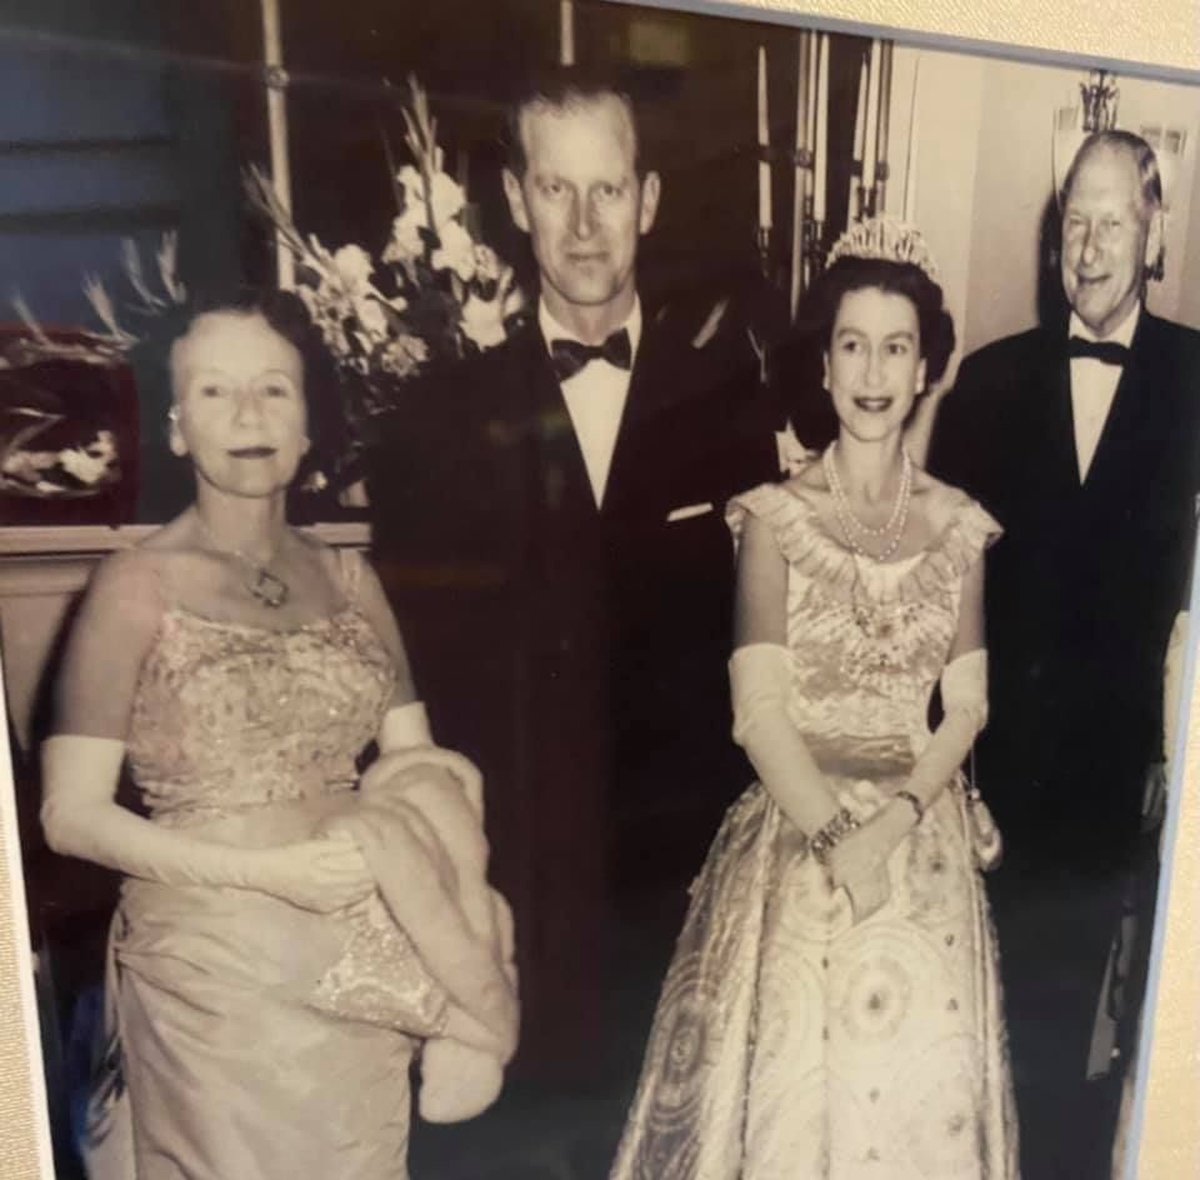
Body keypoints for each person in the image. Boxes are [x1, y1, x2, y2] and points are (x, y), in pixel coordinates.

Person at [39, 292, 517, 1179]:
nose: (249, 416)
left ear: (308, 424)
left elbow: (415, 764)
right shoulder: (133, 587)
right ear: (177, 427)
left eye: (274, 390)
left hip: (361, 962)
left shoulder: (351, 579)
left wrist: (449, 882)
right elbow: (70, 816)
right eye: (215, 394)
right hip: (214, 979)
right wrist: (268, 875)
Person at [368, 67, 780, 1080]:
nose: (586, 224)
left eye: (609, 189)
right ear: (516, 202)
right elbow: (418, 669)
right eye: (557, 189)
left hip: (677, 870)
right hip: (517, 877)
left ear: (647, 201)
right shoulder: (436, 419)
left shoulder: (731, 401)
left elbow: (756, 639)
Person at [610, 218, 1017, 1178]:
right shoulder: (774, 518)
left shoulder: (958, 524)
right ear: (824, 365)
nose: (873, 371)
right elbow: (759, 711)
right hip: (800, 836)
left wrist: (900, 822)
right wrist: (840, 839)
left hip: (923, 844)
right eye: (851, 343)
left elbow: (964, 706)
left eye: (896, 346)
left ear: (926, 368)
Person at [927, 130, 1200, 1178]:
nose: (1090, 248)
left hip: (1123, 771)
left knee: (1076, 1037)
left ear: (1155, 232)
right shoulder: (988, 382)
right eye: (1073, 223)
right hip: (995, 763)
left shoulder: (1194, 382)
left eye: (1114, 222)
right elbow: (945, 597)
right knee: (968, 1021)